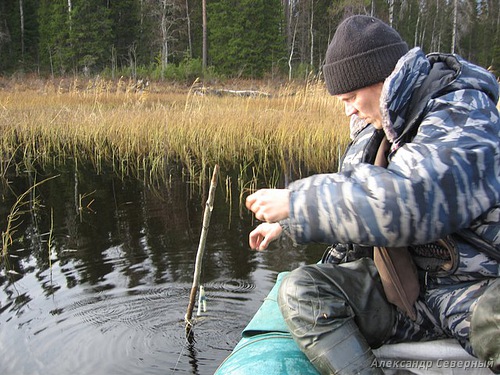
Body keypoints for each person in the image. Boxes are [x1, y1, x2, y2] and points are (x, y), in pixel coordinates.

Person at [246, 15, 500, 375]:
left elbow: (411, 201)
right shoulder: (374, 130)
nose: (348, 109)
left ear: (385, 80)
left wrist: (298, 201)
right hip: (407, 296)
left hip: (476, 289)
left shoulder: (462, 111)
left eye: (351, 97)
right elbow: (358, 205)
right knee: (301, 290)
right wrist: (290, 223)